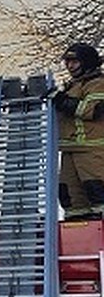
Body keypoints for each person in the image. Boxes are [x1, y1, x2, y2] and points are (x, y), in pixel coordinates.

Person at [52, 43, 104, 220]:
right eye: (67, 62)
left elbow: (93, 110)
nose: (69, 66)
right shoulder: (72, 87)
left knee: (97, 191)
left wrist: (61, 100)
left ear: (87, 62)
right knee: (70, 197)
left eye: (74, 62)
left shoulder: (98, 84)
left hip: (93, 150)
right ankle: (79, 237)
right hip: (69, 150)